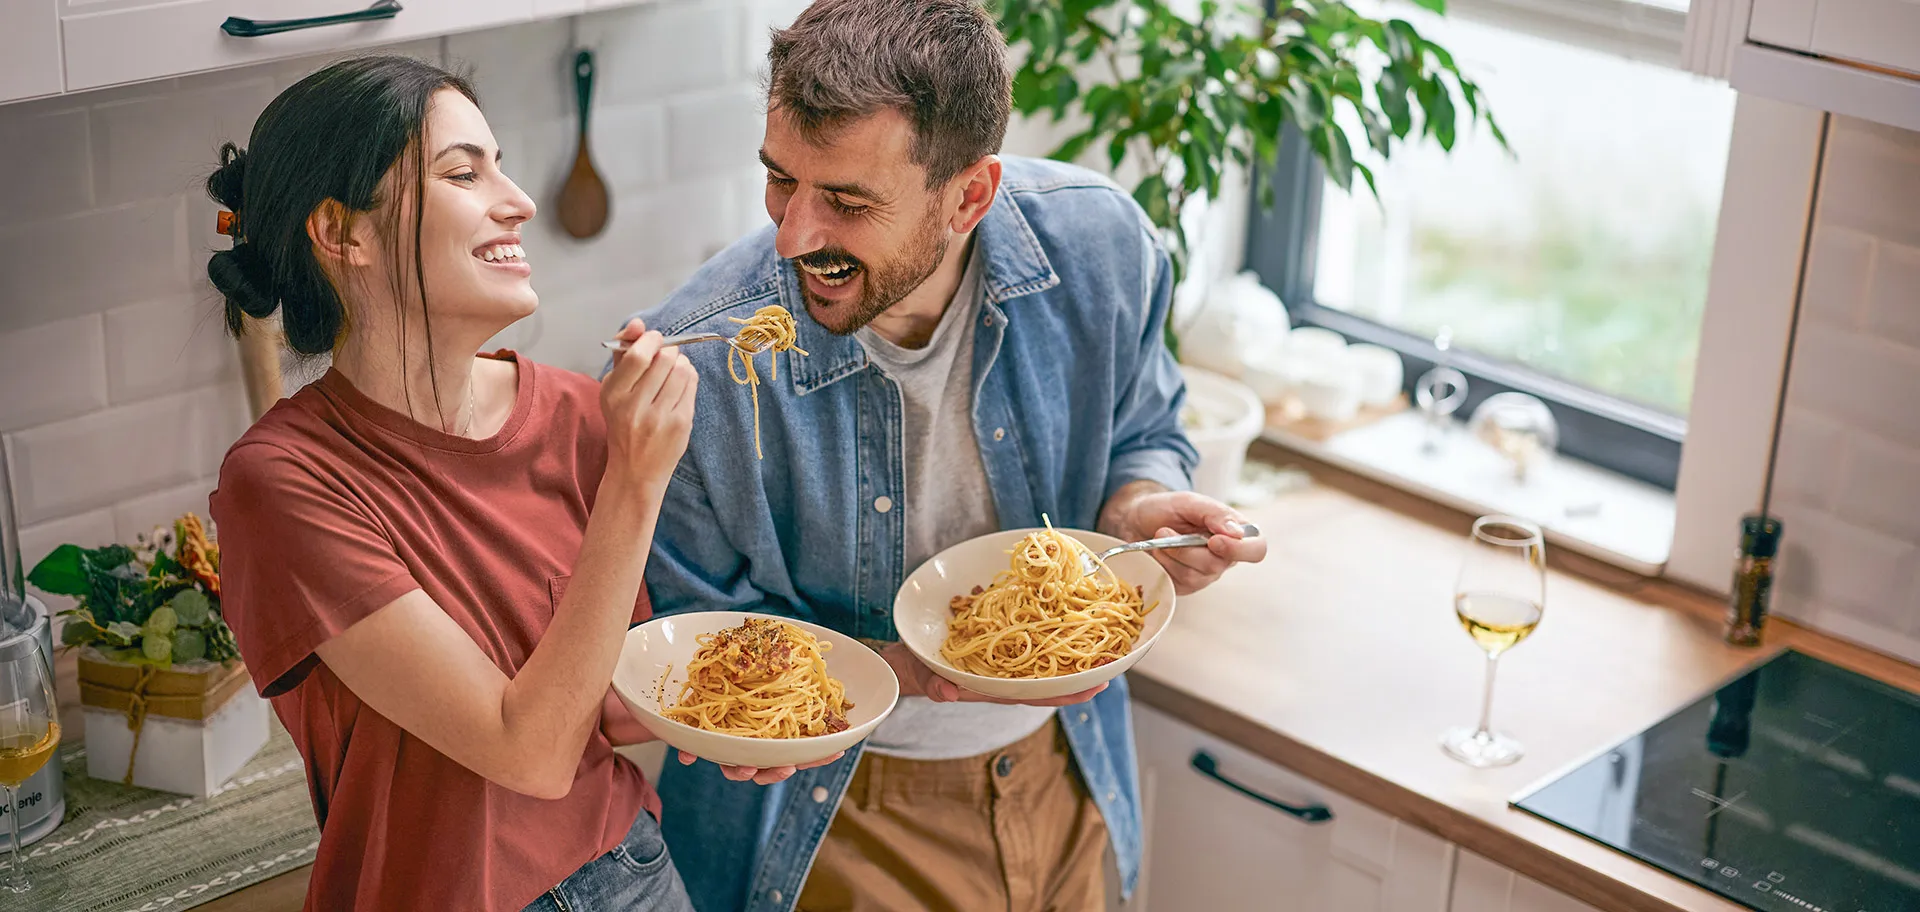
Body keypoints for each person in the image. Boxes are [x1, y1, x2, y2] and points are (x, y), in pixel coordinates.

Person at [632, 2, 1269, 910]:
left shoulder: (1104, 248)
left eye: (848, 203)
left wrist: (1140, 507)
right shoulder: (701, 362)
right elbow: (693, 641)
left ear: (970, 195)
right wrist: (897, 669)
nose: (793, 236)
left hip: (1067, 771)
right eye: (781, 180)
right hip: (842, 819)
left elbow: (1147, 426)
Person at [205, 55, 777, 912]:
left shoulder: (582, 415)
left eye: (499, 166)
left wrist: (723, 712)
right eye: (463, 173)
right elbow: (529, 751)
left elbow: (603, 707)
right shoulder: (285, 482)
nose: (519, 200)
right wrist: (634, 483)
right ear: (343, 233)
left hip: (631, 876)